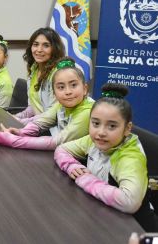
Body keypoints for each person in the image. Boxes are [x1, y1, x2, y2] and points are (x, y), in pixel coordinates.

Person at [54, 83, 157, 232]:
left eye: (112, 126)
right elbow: (61, 149)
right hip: (104, 215)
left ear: (127, 128)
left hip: (136, 227)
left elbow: (129, 202)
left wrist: (85, 180)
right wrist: (72, 166)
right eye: (96, 123)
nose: (101, 132)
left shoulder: (130, 157)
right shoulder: (93, 139)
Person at [0, 57, 93, 150]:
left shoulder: (88, 112)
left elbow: (56, 142)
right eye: (61, 87)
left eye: (73, 85)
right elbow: (40, 123)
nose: (68, 91)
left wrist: (13, 141)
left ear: (85, 89)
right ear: (54, 94)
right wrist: (19, 132)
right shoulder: (61, 104)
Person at [15, 27, 65, 123]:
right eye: (35, 44)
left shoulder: (59, 74)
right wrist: (17, 117)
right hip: (36, 124)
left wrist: (23, 122)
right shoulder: (34, 68)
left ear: (55, 48)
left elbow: (52, 114)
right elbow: (33, 107)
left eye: (46, 45)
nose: (39, 50)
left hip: (52, 128)